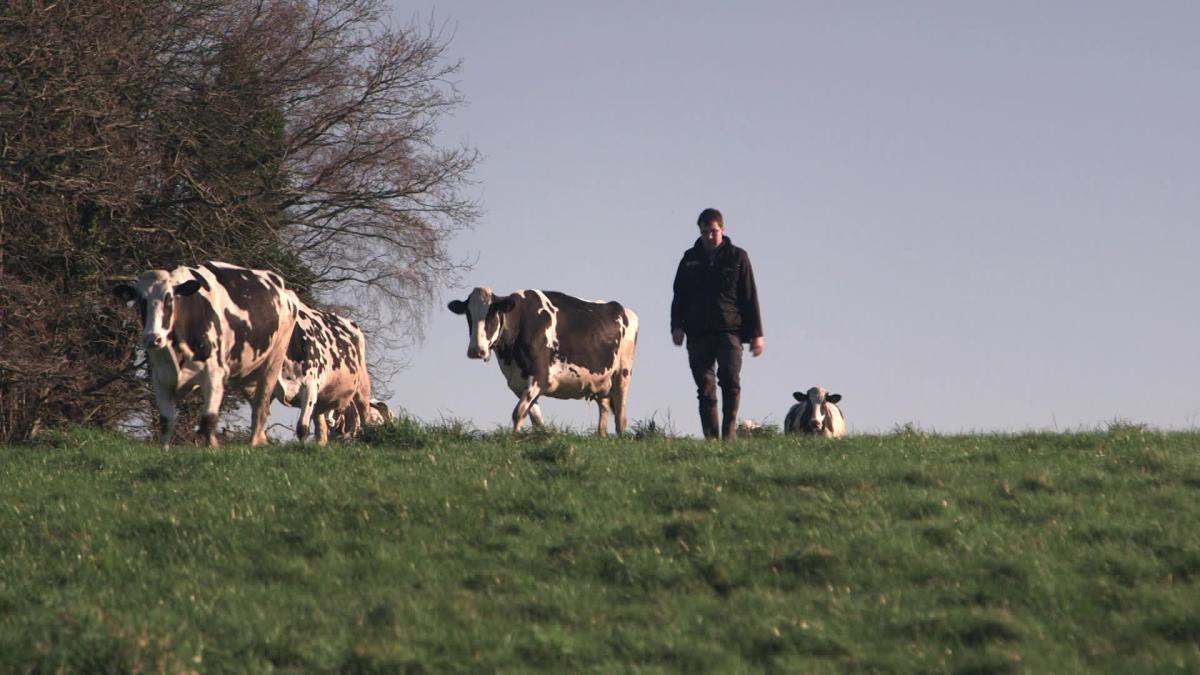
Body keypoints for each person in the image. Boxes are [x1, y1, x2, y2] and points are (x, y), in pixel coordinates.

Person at [670, 208, 765, 440]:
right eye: (705, 232)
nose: (709, 237)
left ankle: (729, 431)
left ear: (722, 229)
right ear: (700, 231)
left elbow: (750, 296)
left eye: (713, 231)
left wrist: (757, 334)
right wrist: (676, 326)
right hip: (697, 331)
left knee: (730, 380)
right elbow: (678, 295)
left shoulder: (738, 257)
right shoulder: (689, 259)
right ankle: (711, 438)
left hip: (729, 330)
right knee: (704, 386)